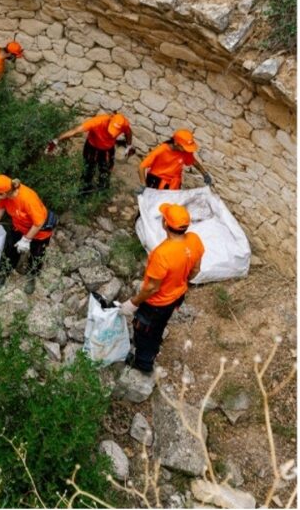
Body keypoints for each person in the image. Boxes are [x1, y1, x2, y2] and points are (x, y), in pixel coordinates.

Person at [118, 203, 204, 374]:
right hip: (177, 296)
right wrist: (180, 281)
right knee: (158, 326)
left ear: (165, 224)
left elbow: (151, 288)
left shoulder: (162, 254)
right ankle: (154, 346)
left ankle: (143, 362)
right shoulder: (194, 240)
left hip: (156, 304)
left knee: (144, 331)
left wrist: (133, 303)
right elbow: (195, 270)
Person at [0, 175, 56, 293]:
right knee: (11, 250)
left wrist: (26, 240)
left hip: (39, 232)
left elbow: (39, 222)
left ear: (5, 192)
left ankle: (32, 276)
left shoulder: (27, 199)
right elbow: (0, 209)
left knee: (36, 254)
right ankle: (5, 272)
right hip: (19, 227)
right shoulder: (4, 196)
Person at [48, 112, 134, 194]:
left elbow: (128, 132)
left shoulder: (124, 124)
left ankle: (102, 189)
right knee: (88, 169)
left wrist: (129, 146)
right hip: (92, 147)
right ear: (111, 120)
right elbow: (75, 130)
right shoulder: (97, 122)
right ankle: (84, 190)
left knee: (106, 169)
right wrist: (57, 140)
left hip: (108, 149)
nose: (112, 133)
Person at [138, 129, 213, 190]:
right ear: (176, 143)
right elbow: (141, 167)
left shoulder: (185, 152)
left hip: (174, 184)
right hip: (157, 181)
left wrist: (205, 174)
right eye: (185, 147)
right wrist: (143, 185)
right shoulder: (162, 150)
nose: (187, 150)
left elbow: (193, 162)